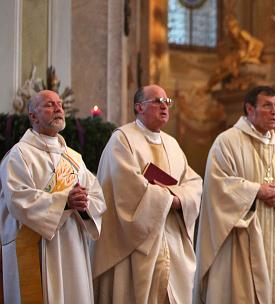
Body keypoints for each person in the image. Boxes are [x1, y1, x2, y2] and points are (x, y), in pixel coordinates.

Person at [193, 85, 275, 304]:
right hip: (240, 243)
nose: (274, 112)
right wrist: (255, 191)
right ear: (249, 109)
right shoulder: (227, 142)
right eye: (267, 106)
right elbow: (217, 187)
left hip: (273, 236)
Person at [92, 85, 203, 304]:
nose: (164, 107)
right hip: (134, 245)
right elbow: (125, 188)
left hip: (172, 241)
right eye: (157, 102)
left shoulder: (172, 144)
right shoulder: (122, 139)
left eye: (167, 102)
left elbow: (194, 183)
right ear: (139, 107)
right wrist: (169, 198)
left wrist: (181, 199)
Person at [0, 90, 105, 303]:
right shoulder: (19, 155)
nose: (58, 108)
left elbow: (97, 197)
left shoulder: (74, 158)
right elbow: (18, 200)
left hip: (72, 246)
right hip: (35, 247)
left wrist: (84, 203)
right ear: (33, 116)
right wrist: (64, 202)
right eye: (49, 105)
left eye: (59, 104)